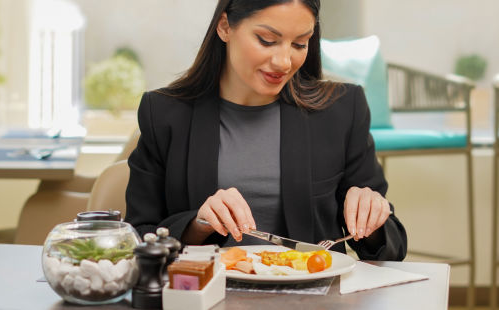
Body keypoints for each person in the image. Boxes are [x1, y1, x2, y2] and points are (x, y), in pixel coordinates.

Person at [125, 0, 407, 261]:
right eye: (267, 40)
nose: (284, 62)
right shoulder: (164, 113)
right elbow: (139, 236)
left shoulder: (341, 110)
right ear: (225, 27)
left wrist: (373, 220)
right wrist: (197, 226)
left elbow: (392, 247)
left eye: (299, 44)